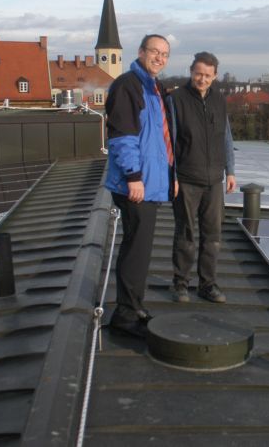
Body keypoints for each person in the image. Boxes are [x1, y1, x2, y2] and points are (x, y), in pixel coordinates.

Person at [104, 34, 175, 337]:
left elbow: (160, 141)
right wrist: (133, 177)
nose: (159, 58)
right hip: (136, 184)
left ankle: (135, 305)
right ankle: (125, 315)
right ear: (141, 52)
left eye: (165, 54)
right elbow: (123, 136)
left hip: (151, 183)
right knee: (136, 248)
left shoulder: (153, 87)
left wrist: (171, 177)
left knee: (142, 248)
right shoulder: (128, 85)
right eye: (154, 52)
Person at [169, 51, 236, 303]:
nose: (202, 79)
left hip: (214, 180)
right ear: (191, 71)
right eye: (198, 73)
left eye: (208, 75)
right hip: (186, 178)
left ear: (215, 76)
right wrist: (172, 176)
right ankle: (180, 284)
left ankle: (207, 285)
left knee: (213, 237)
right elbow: (171, 141)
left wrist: (230, 171)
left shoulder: (219, 100)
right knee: (185, 234)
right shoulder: (176, 99)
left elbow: (226, 137)